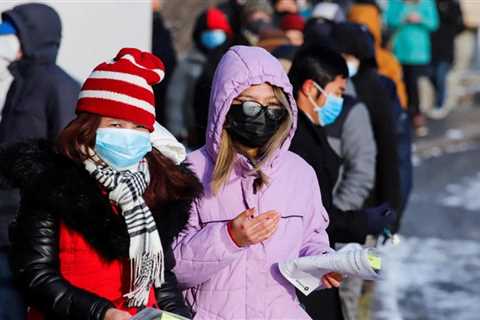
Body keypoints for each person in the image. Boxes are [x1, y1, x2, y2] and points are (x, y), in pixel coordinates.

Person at [2, 48, 203, 320]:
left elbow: (162, 278)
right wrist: (103, 313)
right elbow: (36, 274)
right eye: (116, 125)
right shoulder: (52, 182)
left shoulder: (157, 186)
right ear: (89, 126)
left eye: (139, 128)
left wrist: (180, 316)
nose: (128, 136)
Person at [173, 45, 342, 319]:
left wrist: (324, 264)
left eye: (273, 107)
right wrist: (228, 239)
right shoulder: (191, 172)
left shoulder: (299, 173)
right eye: (251, 105)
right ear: (225, 106)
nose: (263, 116)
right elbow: (171, 268)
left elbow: (311, 239)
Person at [288, 42, 395, 320]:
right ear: (311, 89)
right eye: (337, 93)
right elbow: (309, 218)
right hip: (300, 275)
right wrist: (360, 222)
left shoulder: (310, 130)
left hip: (314, 266)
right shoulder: (295, 140)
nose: (339, 101)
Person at [0, 4, 80, 319]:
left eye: (9, 32)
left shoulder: (57, 86)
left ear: (32, 36)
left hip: (28, 223)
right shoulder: (18, 83)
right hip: (5, 220)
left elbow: (67, 156)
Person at [165, 7, 232, 145]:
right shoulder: (188, 63)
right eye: (208, 31)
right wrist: (177, 133)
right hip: (194, 133)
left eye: (217, 31)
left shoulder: (231, 61)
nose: (213, 35)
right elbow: (175, 99)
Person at [385, 0, 439, 136]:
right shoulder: (396, 2)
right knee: (402, 84)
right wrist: (404, 11)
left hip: (419, 52)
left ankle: (417, 114)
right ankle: (404, 114)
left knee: (416, 85)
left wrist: (420, 19)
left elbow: (434, 23)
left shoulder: (426, 2)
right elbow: (390, 20)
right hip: (399, 51)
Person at [428, 0, 464, 118]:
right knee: (431, 74)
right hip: (432, 47)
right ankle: (438, 100)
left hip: (446, 47)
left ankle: (440, 104)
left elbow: (459, 24)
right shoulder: (431, 4)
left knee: (440, 76)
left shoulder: (452, 5)